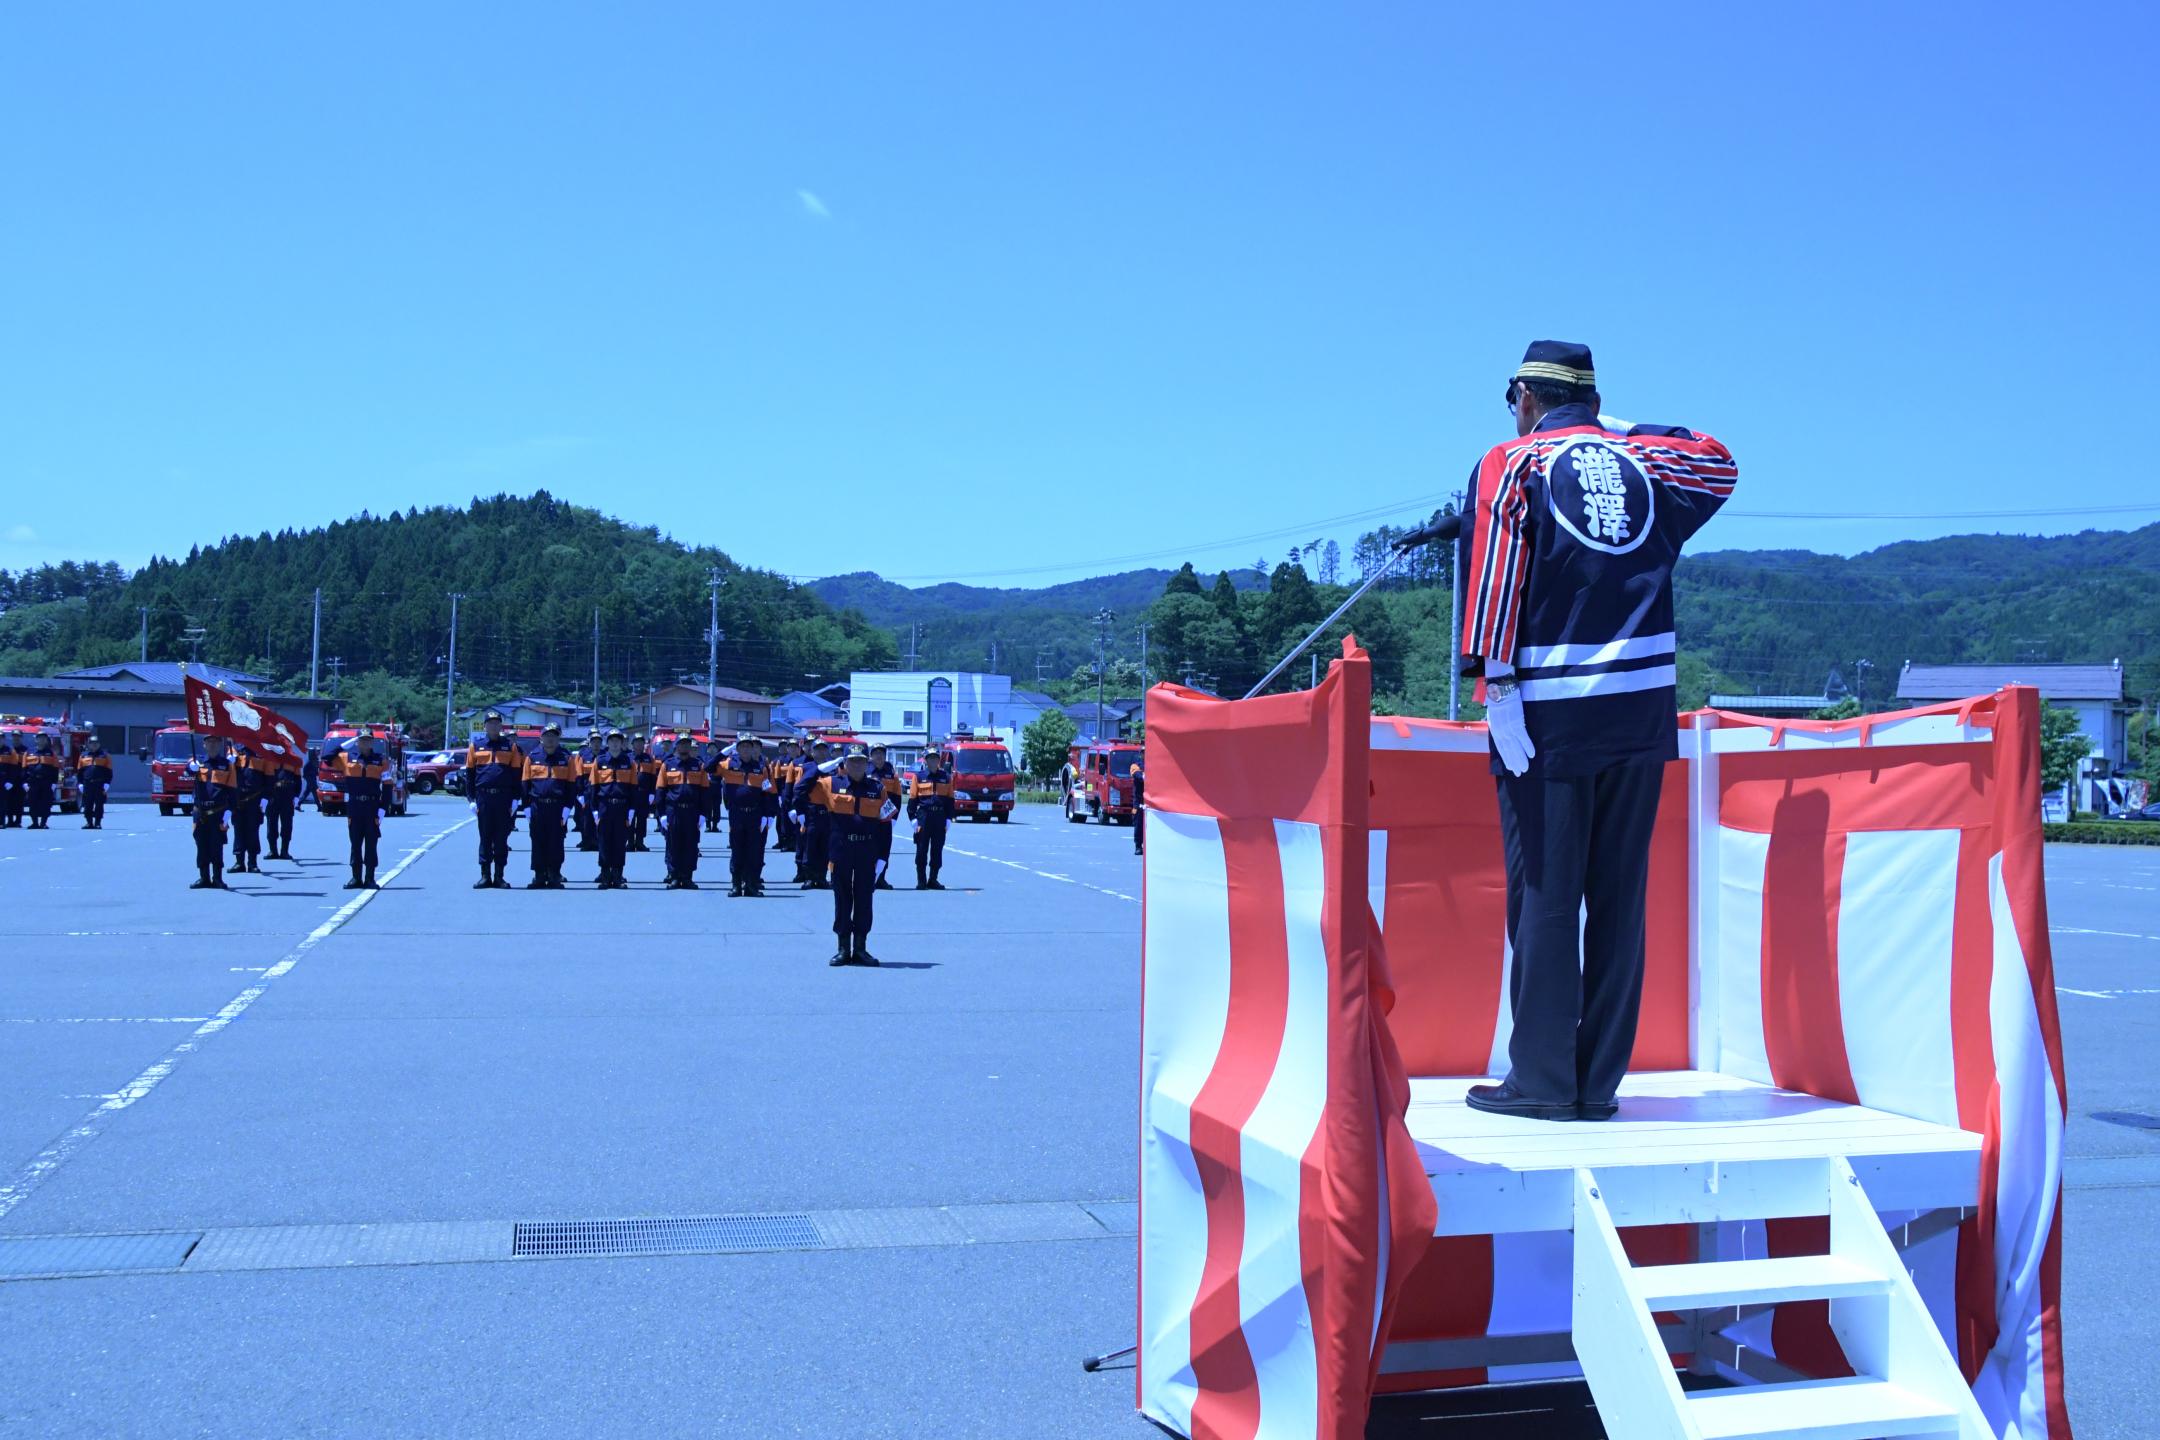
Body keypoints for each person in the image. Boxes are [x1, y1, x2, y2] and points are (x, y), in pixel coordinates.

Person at [1425, 340, 1735, 1123]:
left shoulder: (1513, 462)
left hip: (1547, 714)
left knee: (1547, 894)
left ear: (1526, 397)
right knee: (1620, 897)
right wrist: (1604, 428)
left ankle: (1541, 1081)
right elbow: (1718, 457)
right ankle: (1599, 1084)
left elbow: (1495, 570)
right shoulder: (1652, 468)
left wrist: (1494, 683)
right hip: (1640, 711)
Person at [816, 746, 897, 966]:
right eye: (852, 761)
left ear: (867, 762)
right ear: (844, 762)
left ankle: (860, 948)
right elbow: (801, 788)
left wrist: (883, 858)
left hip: (866, 852)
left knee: (864, 899)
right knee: (842, 898)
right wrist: (824, 768)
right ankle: (843, 948)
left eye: (861, 761)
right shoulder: (832, 784)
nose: (857, 765)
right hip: (841, 850)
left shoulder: (877, 788)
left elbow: (886, 826)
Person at [322, 730, 391, 889]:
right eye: (362, 740)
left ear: (372, 742)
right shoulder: (347, 758)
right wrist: (344, 745)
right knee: (355, 842)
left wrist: (382, 809)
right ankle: (356, 877)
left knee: (371, 842)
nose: (365, 743)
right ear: (357, 742)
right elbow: (326, 758)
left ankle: (370, 878)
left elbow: (388, 786)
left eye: (368, 740)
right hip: (354, 806)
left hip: (372, 807)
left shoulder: (381, 761)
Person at [464, 711, 523, 890]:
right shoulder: (476, 746)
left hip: (504, 798)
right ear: (484, 726)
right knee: (485, 836)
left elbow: (516, 775)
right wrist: (471, 799)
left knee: (501, 837)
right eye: (490, 723)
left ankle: (499, 875)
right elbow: (470, 775)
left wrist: (516, 799)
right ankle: (485, 875)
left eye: (497, 723)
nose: (493, 726)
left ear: (501, 726)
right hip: (483, 797)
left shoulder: (510, 747)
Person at [717, 733, 778, 897]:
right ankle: (736, 885)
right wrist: (725, 751)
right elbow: (709, 767)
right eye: (742, 746)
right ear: (737, 749)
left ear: (753, 750)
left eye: (748, 746)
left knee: (753, 851)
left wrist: (768, 815)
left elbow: (768, 793)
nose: (745, 749)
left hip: (755, 814)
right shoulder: (728, 764)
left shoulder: (761, 768)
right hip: (737, 814)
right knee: (737, 850)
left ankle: (751, 885)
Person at [521, 723, 581, 889]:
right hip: (537, 806)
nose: (550, 739)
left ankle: (554, 874)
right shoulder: (532, 757)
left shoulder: (567, 758)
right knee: (538, 840)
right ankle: (539, 875)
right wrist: (525, 807)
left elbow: (571, 785)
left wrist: (568, 808)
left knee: (556, 841)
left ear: (558, 738)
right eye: (547, 735)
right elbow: (525, 784)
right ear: (541, 738)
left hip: (558, 807)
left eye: (554, 735)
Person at [587, 729, 640, 889]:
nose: (615, 743)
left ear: (622, 743)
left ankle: (617, 875)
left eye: (618, 740)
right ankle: (604, 874)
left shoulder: (629, 762)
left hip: (622, 807)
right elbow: (593, 788)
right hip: (604, 807)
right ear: (607, 743)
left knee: (619, 842)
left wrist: (631, 811)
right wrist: (594, 810)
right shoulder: (600, 761)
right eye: (612, 740)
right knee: (603, 841)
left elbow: (633, 788)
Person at [656, 734, 710, 889]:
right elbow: (660, 790)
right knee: (673, 844)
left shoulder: (698, 765)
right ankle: (674, 876)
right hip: (673, 810)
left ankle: (687, 877)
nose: (685, 747)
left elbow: (704, 791)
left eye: (687, 744)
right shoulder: (668, 765)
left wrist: (703, 814)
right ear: (676, 746)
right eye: (682, 744)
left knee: (691, 845)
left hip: (692, 811)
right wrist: (662, 815)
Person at [190, 736, 239, 889]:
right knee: (201, 845)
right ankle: (204, 877)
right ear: (204, 745)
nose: (212, 745)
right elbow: (188, 770)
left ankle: (217, 877)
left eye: (216, 742)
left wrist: (229, 811)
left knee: (217, 845)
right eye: (209, 742)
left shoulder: (227, 765)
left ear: (220, 745)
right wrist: (191, 768)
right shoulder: (197, 763)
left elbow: (232, 791)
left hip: (218, 812)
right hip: (201, 812)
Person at [907, 747, 954, 890]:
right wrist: (913, 818)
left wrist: (949, 818)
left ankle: (933, 879)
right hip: (924, 816)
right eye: (930, 758)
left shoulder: (946, 777)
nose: (933, 761)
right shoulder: (919, 777)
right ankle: (921, 880)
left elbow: (950, 800)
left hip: (939, 817)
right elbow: (913, 799)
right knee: (921, 849)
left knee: (937, 849)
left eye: (935, 758)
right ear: (926, 760)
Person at [792, 740, 834, 887]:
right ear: (812, 751)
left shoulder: (832, 768)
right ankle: (809, 877)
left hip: (828, 813)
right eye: (818, 749)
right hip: (812, 812)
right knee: (810, 846)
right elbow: (798, 790)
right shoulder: (806, 768)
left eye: (824, 749)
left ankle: (821, 877)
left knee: (825, 846)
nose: (821, 752)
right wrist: (800, 811)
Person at [866, 745, 903, 889]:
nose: (879, 756)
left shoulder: (891, 773)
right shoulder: (866, 771)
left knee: (884, 849)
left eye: (881, 753)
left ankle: (881, 878)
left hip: (886, 818)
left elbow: (898, 798)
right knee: (870, 848)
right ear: (871, 756)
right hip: (870, 817)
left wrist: (894, 818)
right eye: (876, 753)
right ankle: (869, 878)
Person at [229, 744, 268, 871]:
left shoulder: (262, 752)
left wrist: (266, 797)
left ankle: (252, 863)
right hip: (238, 799)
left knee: (253, 830)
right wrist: (229, 761)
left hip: (254, 799)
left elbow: (269, 777)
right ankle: (239, 862)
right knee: (238, 831)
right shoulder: (234, 750)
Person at [21, 732, 62, 830]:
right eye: (40, 738)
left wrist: (54, 783)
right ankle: (34, 822)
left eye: (44, 738)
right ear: (36, 740)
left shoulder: (51, 753)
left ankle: (43, 822)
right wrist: (24, 783)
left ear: (46, 740)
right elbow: (24, 768)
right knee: (32, 802)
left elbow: (56, 769)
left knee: (46, 803)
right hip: (33, 782)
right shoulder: (29, 752)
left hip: (46, 782)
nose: (42, 740)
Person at [264, 753, 300, 858]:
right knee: (271, 824)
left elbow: (297, 778)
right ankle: (273, 851)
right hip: (272, 796)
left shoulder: (294, 760)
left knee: (287, 825)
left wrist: (296, 795)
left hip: (287, 797)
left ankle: (285, 851)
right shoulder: (268, 758)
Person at [76, 734, 113, 829]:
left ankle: (97, 823)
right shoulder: (83, 756)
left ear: (99, 744)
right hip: (87, 784)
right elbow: (80, 771)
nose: (94, 745)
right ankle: (89, 822)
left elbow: (109, 771)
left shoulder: (105, 756)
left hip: (99, 784)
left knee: (99, 804)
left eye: (96, 743)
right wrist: (80, 783)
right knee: (87, 804)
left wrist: (107, 784)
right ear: (88, 744)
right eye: (92, 743)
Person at [631, 733, 660, 852]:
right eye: (636, 742)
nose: (639, 744)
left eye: (641, 742)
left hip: (644, 794)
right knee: (629, 818)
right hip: (630, 793)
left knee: (642, 819)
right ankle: (629, 842)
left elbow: (653, 777)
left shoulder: (649, 759)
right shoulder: (627, 757)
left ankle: (640, 841)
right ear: (632, 744)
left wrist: (652, 793)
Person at [0, 731, 22, 828]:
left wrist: (10, 781)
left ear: (4, 739)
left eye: (1, 738)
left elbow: (14, 768)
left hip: (4, 780)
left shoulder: (10, 751)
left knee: (3, 802)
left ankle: (1, 822)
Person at [1130, 760, 1146, 856]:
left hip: (1150, 803)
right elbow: (1139, 776)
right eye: (1143, 752)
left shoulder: (1152, 764)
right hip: (1138, 804)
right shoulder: (1135, 766)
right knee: (1138, 826)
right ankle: (1138, 846)